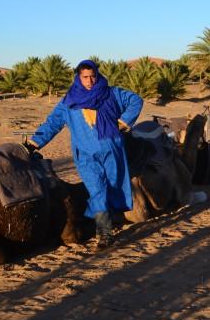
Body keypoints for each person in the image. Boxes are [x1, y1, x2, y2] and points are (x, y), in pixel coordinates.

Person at [28, 59, 143, 248]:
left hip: (112, 149)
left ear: (97, 75)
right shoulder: (69, 101)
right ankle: (104, 233)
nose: (89, 81)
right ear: (78, 77)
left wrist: (123, 122)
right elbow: (52, 123)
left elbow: (136, 100)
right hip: (86, 154)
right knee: (97, 189)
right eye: (85, 77)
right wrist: (34, 143)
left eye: (92, 76)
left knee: (113, 186)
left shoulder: (111, 93)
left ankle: (112, 218)